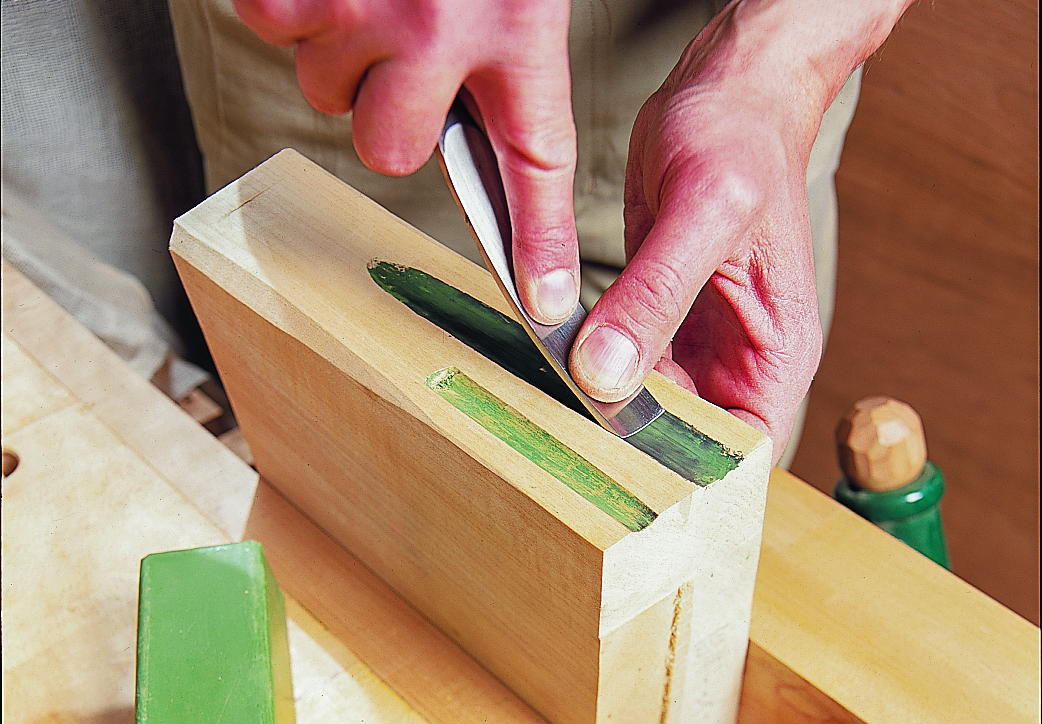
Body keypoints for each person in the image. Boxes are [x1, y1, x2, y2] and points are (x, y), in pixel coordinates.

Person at [170, 0, 913, 465]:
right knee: (335, 472)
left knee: (697, 474)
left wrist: (787, 60)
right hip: (382, 77)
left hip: (736, 119)